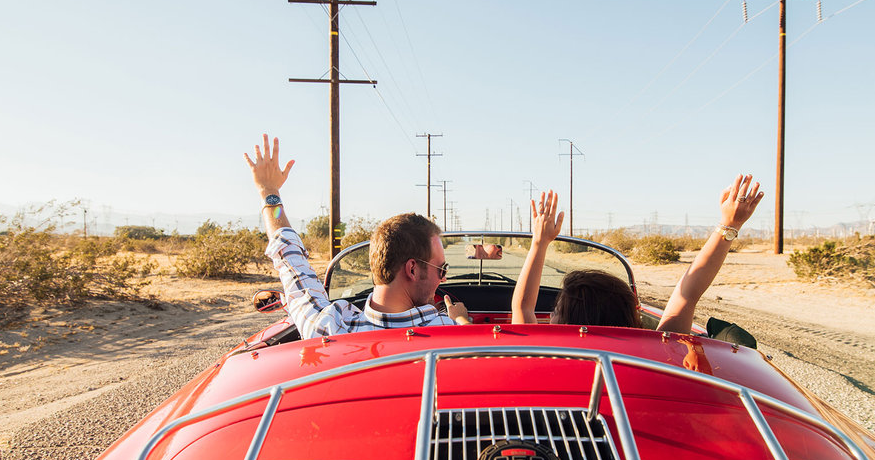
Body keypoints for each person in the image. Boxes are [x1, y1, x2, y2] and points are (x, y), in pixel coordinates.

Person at [245, 134, 471, 338]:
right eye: (441, 269)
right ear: (412, 269)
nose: (443, 279)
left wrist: (269, 192)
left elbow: (291, 261)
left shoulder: (329, 328)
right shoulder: (447, 331)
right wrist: (462, 320)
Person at [512, 175, 764, 333]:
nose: (550, 316)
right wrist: (729, 224)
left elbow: (523, 307)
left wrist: (539, 243)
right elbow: (686, 294)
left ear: (568, 322)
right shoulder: (658, 350)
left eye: (556, 310)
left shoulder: (544, 351)